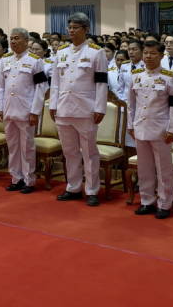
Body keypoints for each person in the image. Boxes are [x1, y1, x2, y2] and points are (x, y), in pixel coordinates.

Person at [50, 12, 108, 206]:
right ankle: (73, 187)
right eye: (70, 27)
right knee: (70, 152)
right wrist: (53, 104)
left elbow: (101, 83)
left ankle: (92, 190)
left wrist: (100, 107)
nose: (71, 31)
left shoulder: (96, 52)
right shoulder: (61, 52)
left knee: (89, 153)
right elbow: (55, 82)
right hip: (63, 108)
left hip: (86, 109)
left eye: (76, 28)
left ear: (86, 29)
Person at [127, 39, 173, 219]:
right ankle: (147, 200)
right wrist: (130, 124)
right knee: (144, 168)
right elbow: (131, 104)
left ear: (161, 55)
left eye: (153, 53)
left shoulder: (170, 77)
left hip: (161, 129)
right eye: (146, 53)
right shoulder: (135, 76)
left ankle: (165, 203)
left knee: (163, 168)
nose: (148, 56)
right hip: (140, 127)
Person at [0, 28, 48, 194]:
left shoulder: (35, 60)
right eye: (11, 38)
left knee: (27, 147)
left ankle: (28, 180)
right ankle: (16, 178)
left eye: (17, 38)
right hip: (9, 109)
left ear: (26, 41)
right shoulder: (5, 60)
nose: (13, 41)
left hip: (26, 110)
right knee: (13, 146)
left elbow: (41, 87)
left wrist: (35, 111)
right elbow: (1, 87)